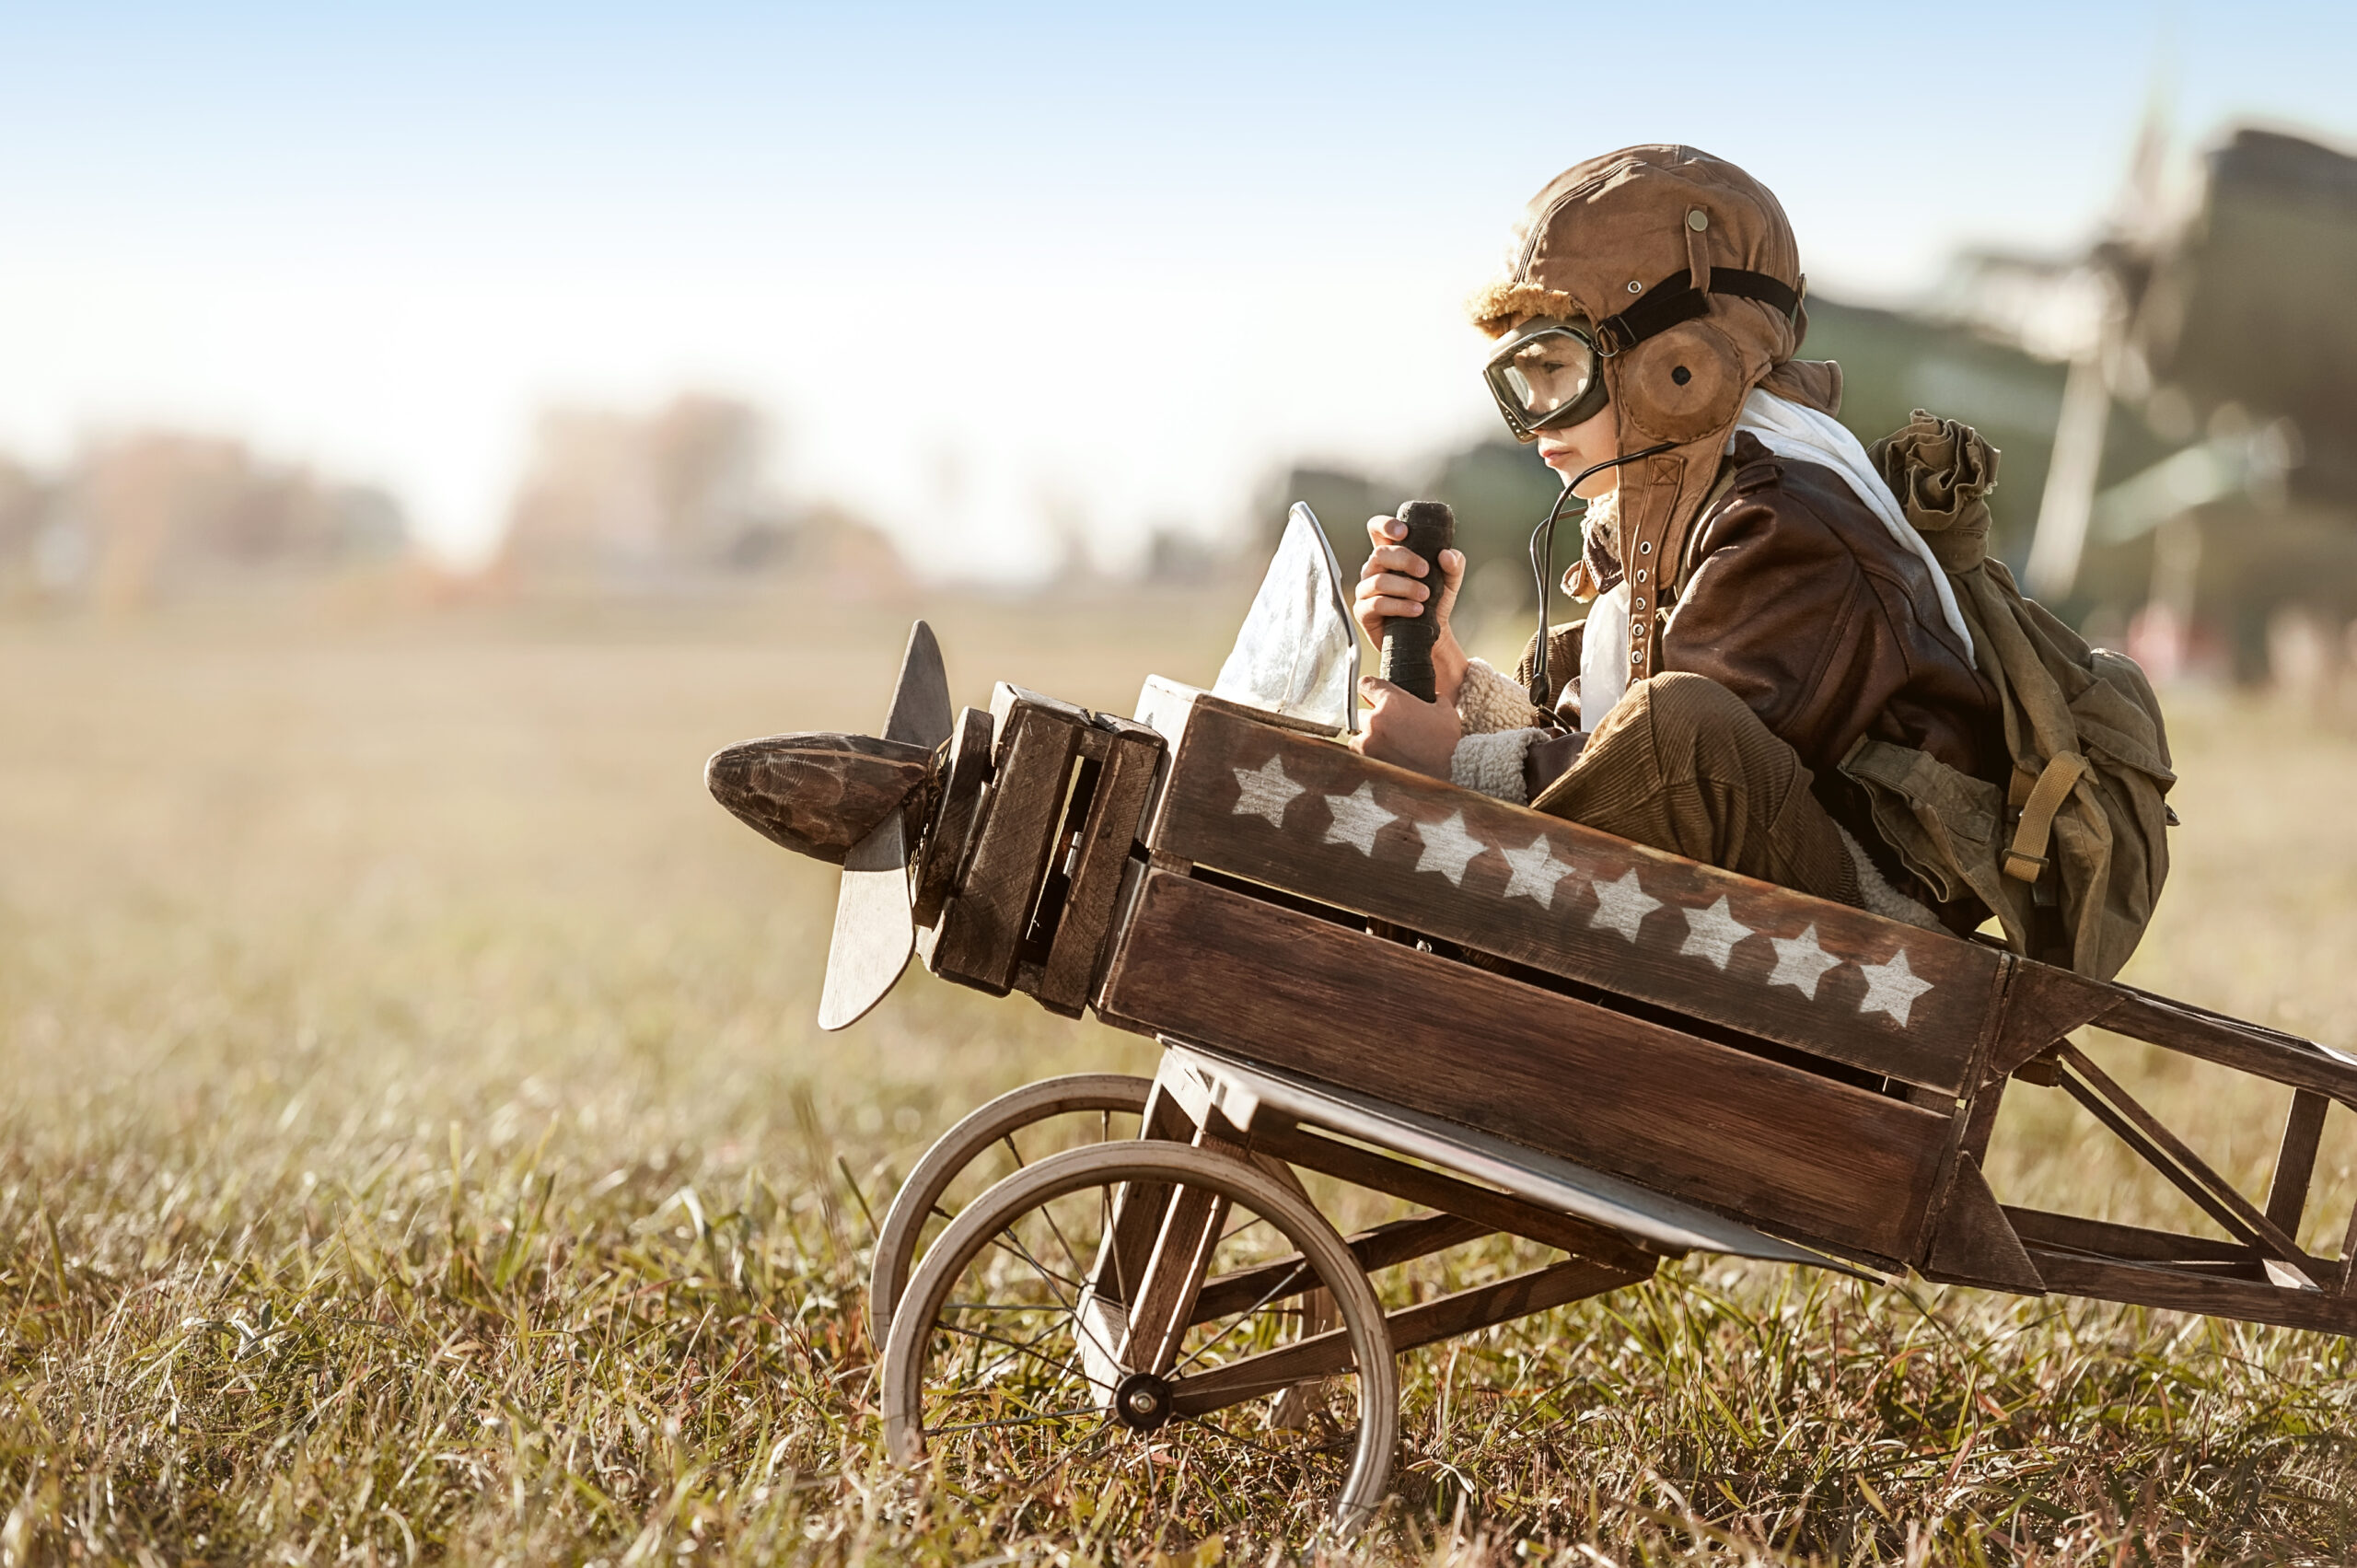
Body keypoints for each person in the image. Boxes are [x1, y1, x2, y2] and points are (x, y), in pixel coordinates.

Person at [1350, 145, 2005, 932]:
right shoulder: (1664, 519)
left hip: (1876, 923)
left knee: (1677, 723)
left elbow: (1670, 768)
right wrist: (1455, 683)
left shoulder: (1787, 519)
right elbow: (1606, 762)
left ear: (1676, 366)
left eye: (1557, 369)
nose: (1537, 422)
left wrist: (1447, 763)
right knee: (1616, 699)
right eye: (1522, 383)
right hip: (1769, 881)